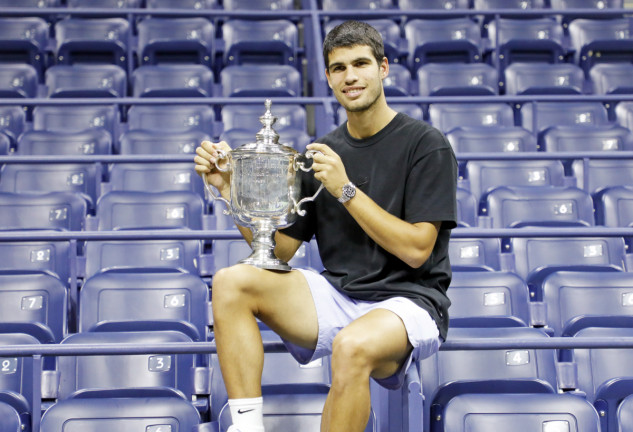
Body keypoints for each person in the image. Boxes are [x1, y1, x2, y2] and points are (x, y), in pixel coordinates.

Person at [194, 20, 457, 432]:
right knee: (232, 281)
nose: (350, 76)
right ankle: (246, 427)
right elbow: (277, 253)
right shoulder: (325, 152)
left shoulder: (426, 144)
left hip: (409, 302)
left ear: (383, 68)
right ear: (330, 79)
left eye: (361, 64)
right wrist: (228, 189)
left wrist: (346, 190)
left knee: (352, 346)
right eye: (338, 68)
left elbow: (417, 249)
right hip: (340, 296)